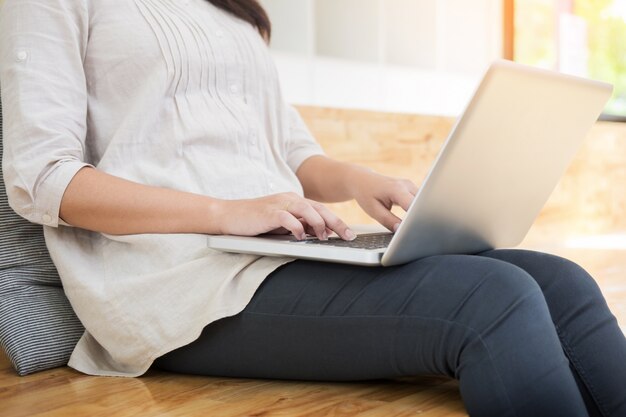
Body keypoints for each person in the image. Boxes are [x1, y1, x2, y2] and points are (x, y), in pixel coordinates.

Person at [1, 0, 624, 415]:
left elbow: (290, 151)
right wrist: (224, 212)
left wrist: (358, 178)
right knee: (494, 300)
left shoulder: (231, 11)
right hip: (176, 283)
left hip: (276, 248)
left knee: (562, 281)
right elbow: (42, 180)